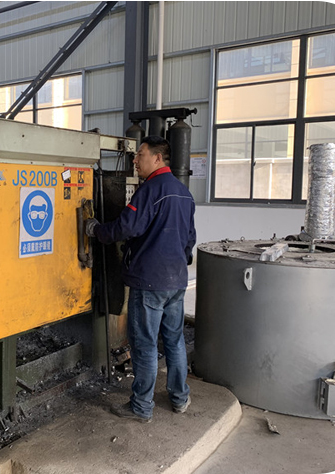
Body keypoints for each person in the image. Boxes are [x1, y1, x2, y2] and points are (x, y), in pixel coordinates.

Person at [86, 135, 196, 423]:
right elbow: (189, 239)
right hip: (176, 282)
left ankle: (141, 406)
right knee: (174, 341)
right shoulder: (184, 193)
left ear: (157, 158)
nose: (135, 160)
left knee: (144, 345)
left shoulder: (150, 190)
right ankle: (179, 398)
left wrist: (96, 230)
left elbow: (127, 227)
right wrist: (177, 261)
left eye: (141, 155)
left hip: (149, 283)